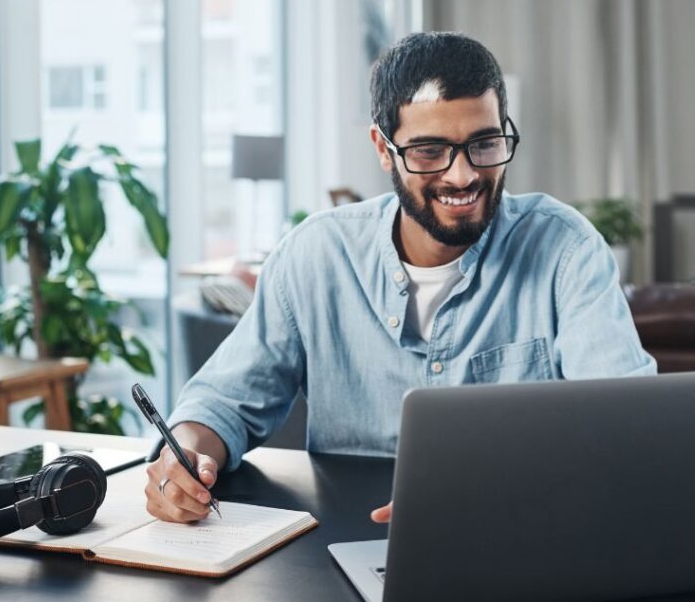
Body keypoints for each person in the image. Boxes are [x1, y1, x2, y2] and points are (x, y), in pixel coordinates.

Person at [144, 32, 656, 524]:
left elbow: (629, 429)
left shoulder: (566, 249)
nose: (463, 176)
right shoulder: (315, 256)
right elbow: (220, 404)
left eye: (484, 143)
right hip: (347, 547)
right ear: (383, 148)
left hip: (524, 543)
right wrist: (184, 457)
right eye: (430, 152)